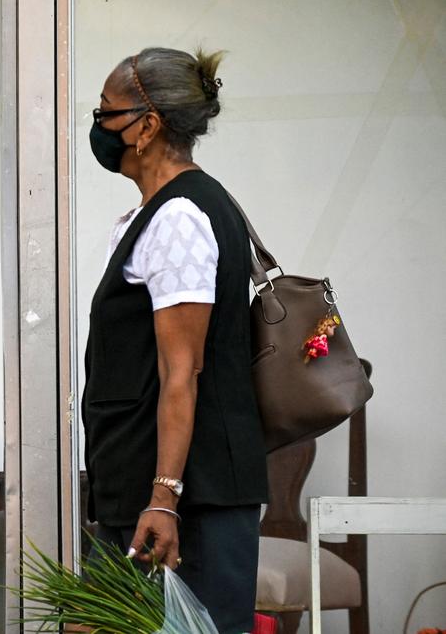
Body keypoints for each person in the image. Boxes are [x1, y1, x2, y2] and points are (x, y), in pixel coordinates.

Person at [82, 47, 268, 633]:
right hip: (151, 493)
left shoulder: (179, 218)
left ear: (147, 126)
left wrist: (163, 498)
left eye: (106, 111)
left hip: (184, 506)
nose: (98, 125)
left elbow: (181, 371)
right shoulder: (155, 215)